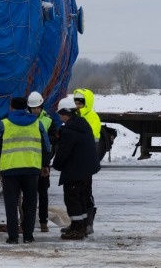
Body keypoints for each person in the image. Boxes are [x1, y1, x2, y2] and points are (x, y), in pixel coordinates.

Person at [0, 96, 51, 244]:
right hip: (32, 170)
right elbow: (46, 146)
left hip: (10, 170)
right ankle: (28, 236)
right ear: (26, 107)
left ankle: (13, 237)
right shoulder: (38, 123)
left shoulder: (4, 124)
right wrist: (45, 165)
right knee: (30, 204)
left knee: (11, 204)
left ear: (11, 107)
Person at [52, 96, 100, 240]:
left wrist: (56, 165)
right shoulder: (82, 124)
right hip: (86, 170)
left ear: (66, 113)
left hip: (75, 171)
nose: (60, 117)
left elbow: (63, 153)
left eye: (61, 114)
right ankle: (81, 225)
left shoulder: (70, 131)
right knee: (82, 198)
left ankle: (77, 229)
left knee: (72, 199)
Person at [27, 90, 59, 233]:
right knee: (29, 195)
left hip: (43, 162)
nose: (35, 111)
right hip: (29, 162)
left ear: (41, 106)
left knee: (43, 194)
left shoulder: (48, 120)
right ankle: (27, 221)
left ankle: (43, 221)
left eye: (37, 108)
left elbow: (54, 139)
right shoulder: (25, 120)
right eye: (33, 108)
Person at [73, 88, 101, 233]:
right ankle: (80, 223)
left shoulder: (92, 117)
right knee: (77, 193)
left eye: (80, 103)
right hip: (77, 161)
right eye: (76, 102)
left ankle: (88, 222)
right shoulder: (76, 116)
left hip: (87, 161)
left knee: (86, 192)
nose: (77, 105)